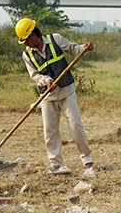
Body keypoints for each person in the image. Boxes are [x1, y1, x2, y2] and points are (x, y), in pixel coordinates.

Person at [15, 18, 94, 175]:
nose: (25, 44)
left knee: (75, 125)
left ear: (33, 35)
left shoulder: (55, 39)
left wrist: (84, 48)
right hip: (47, 95)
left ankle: (87, 160)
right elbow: (34, 75)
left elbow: (73, 49)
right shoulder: (27, 55)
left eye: (26, 40)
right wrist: (46, 80)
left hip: (66, 90)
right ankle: (56, 164)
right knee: (50, 130)